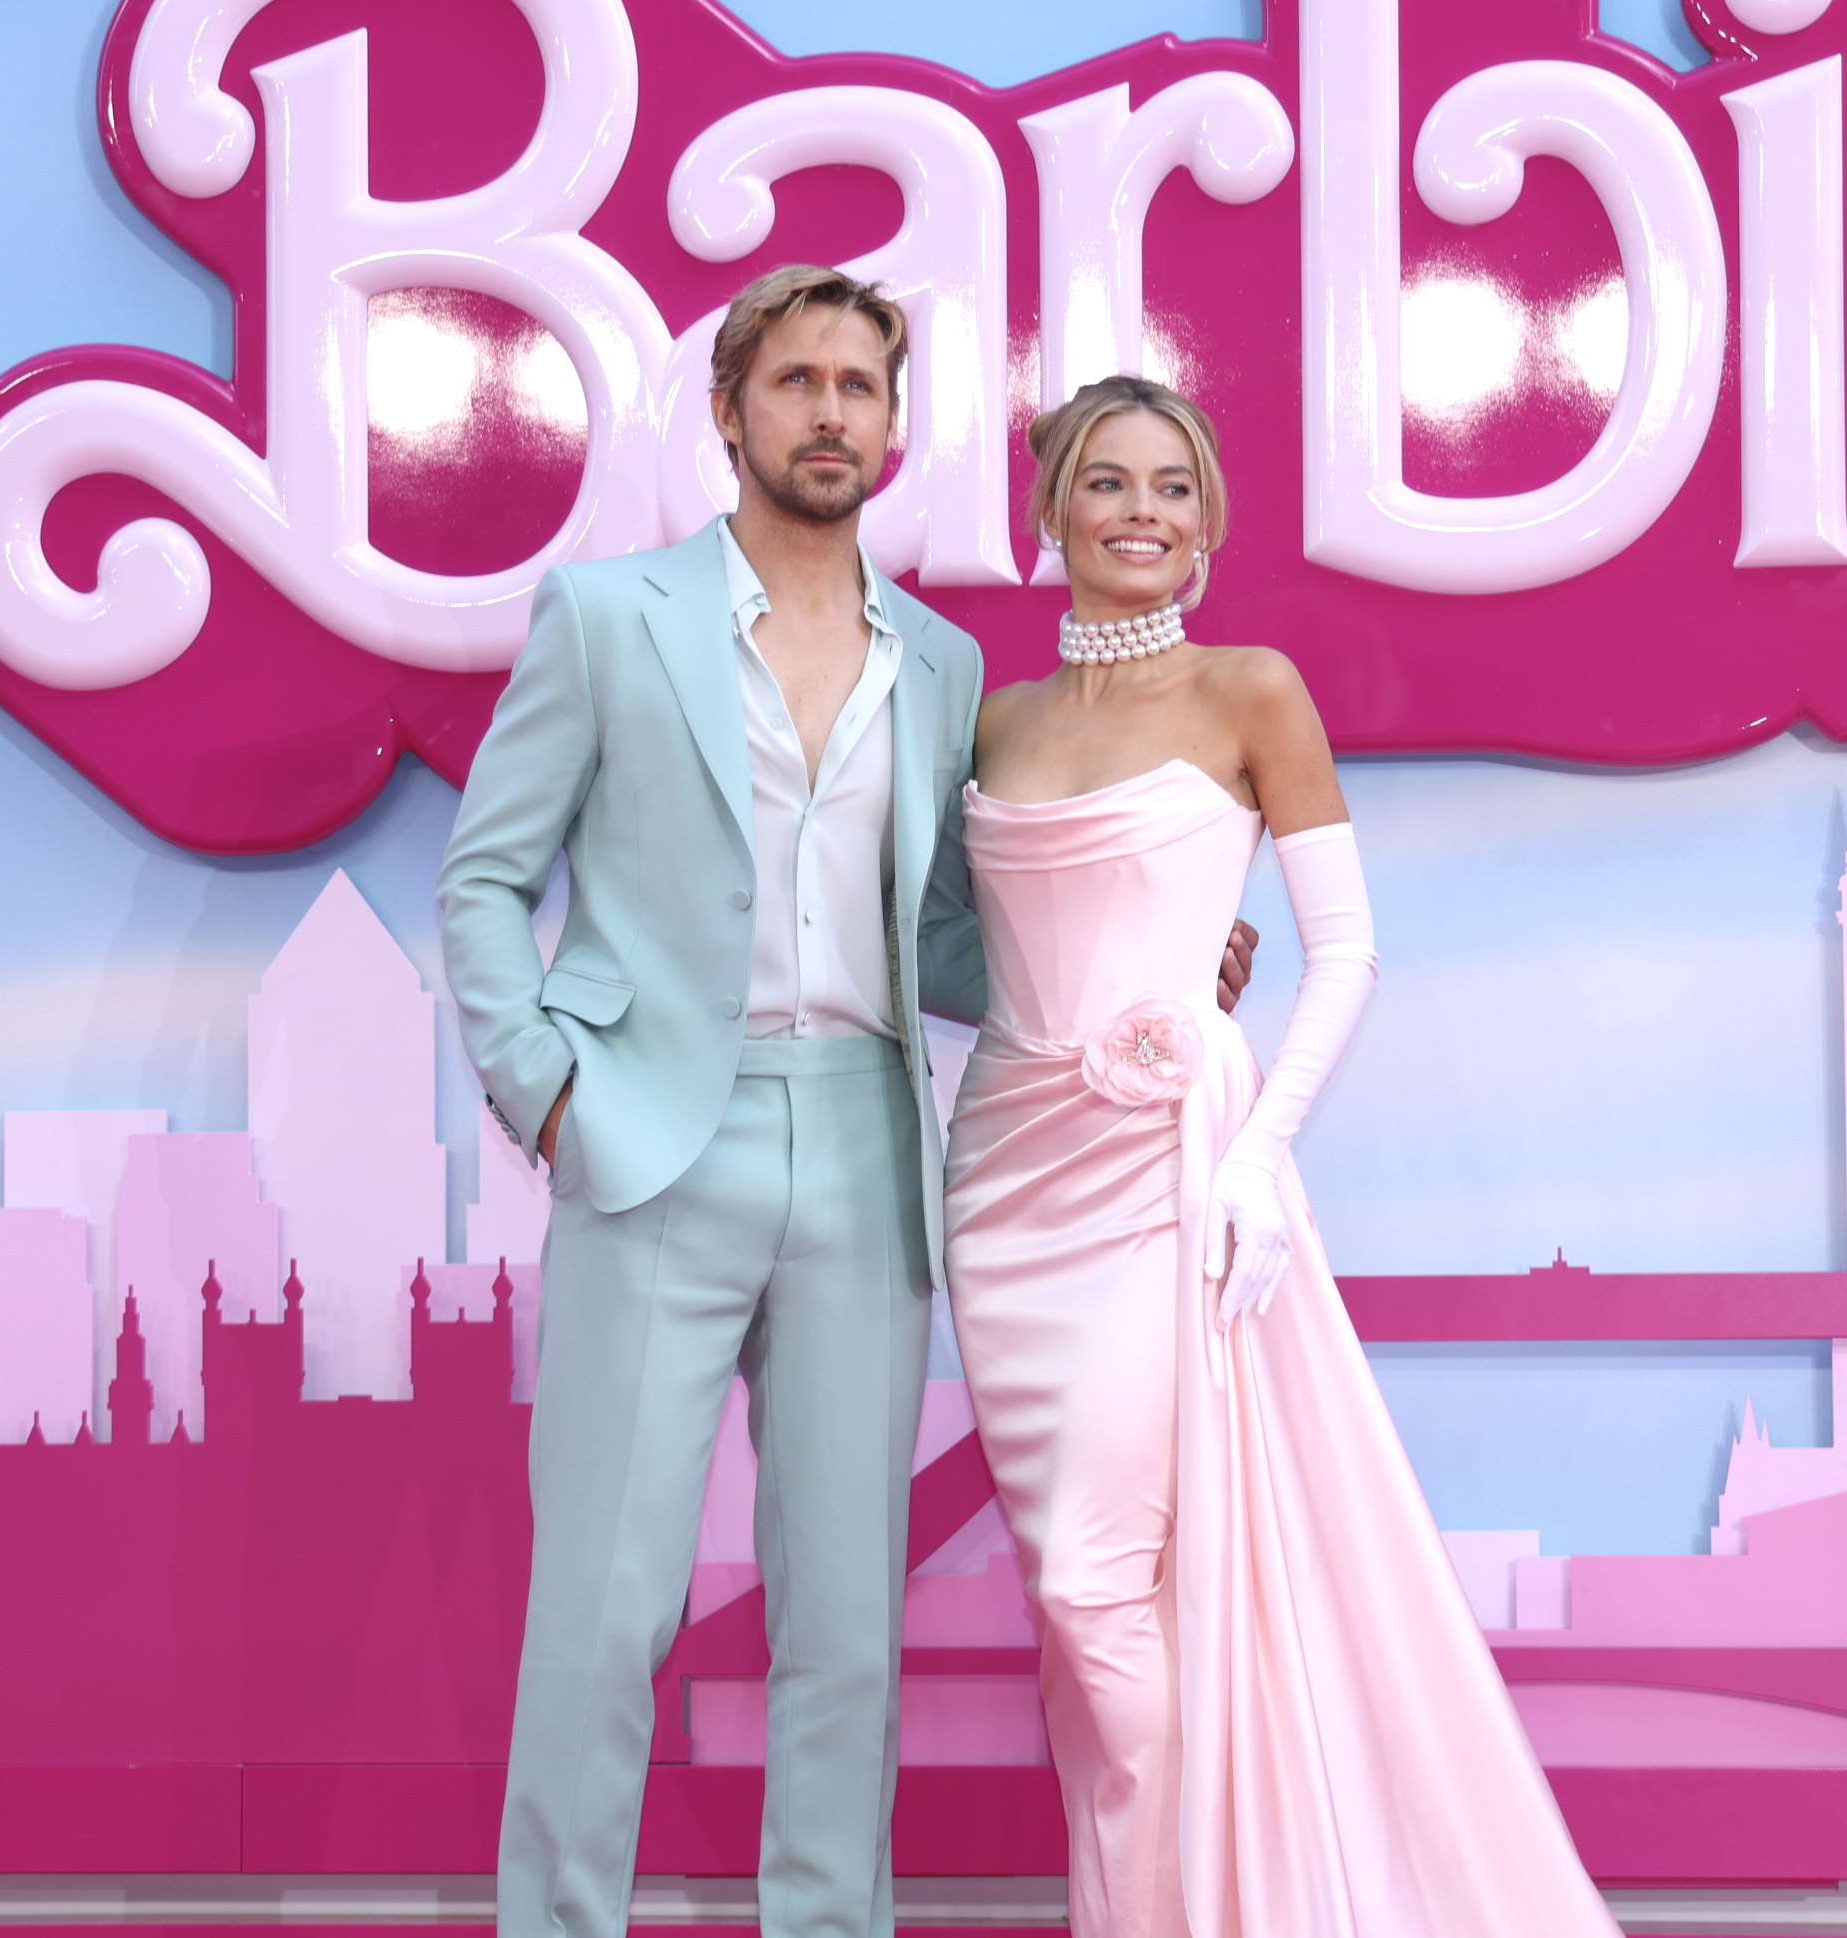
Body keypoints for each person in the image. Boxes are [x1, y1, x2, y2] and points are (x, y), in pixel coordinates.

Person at [440, 271, 1249, 1938]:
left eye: (857, 386)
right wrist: (546, 1098)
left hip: (870, 1150)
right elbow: (482, 880)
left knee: (845, 1630)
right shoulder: (606, 618)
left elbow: (954, 936)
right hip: (652, 1139)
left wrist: (1140, 958)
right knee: (606, 1610)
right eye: (794, 381)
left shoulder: (940, 660)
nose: (827, 412)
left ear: (893, 426)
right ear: (727, 414)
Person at [944, 376, 1619, 1938]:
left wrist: (1256, 1154)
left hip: (1170, 1174)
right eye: (1104, 483)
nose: (1139, 513)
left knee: (1096, 1588)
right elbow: (971, 944)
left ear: (1206, 521)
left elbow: (1351, 950)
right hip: (1003, 1180)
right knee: (1080, 1602)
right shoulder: (990, 721)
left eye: (1172, 488)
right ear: (1052, 512)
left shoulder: (1251, 689)